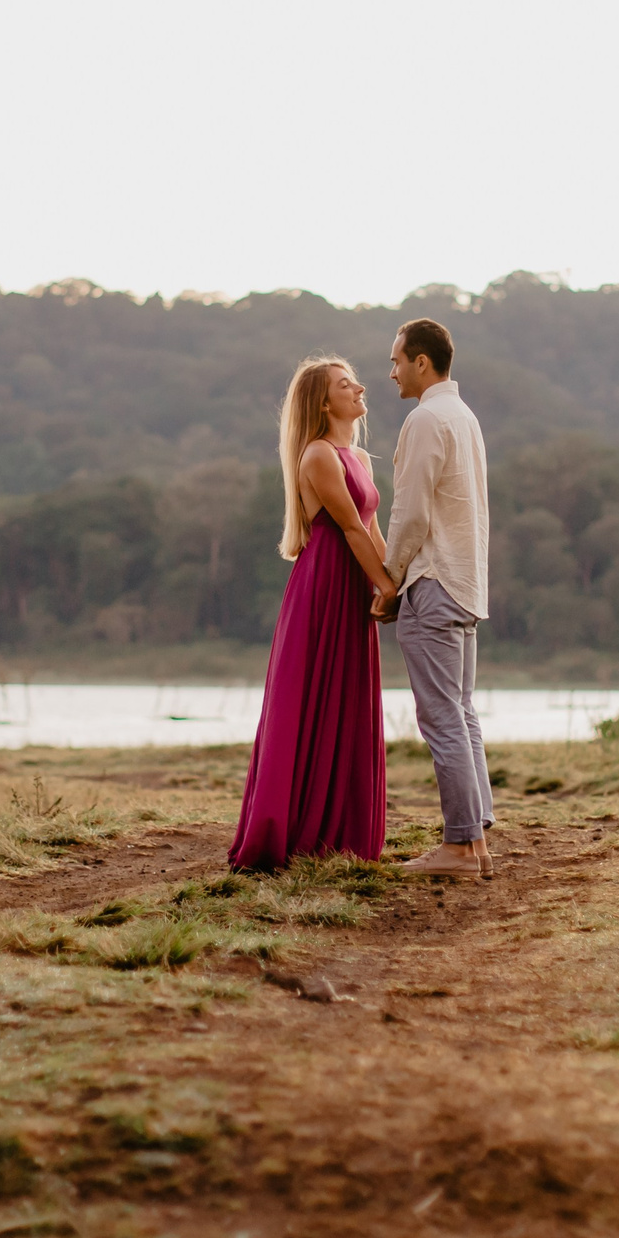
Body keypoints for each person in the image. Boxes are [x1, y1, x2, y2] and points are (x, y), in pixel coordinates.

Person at [227, 356, 396, 870]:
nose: (361, 387)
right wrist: (385, 586)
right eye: (347, 385)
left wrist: (396, 581)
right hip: (323, 585)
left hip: (352, 583)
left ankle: (342, 834)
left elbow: (372, 530)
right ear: (324, 402)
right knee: (310, 701)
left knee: (346, 699)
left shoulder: (361, 458)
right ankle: (295, 832)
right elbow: (348, 530)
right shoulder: (318, 456)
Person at [377, 317, 493, 878]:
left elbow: (412, 511)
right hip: (466, 583)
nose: (391, 371)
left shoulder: (426, 418)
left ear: (422, 362)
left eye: (396, 360)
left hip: (434, 582)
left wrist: (389, 579)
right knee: (461, 713)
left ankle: (459, 847)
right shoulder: (463, 416)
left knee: (442, 717)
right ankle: (474, 843)